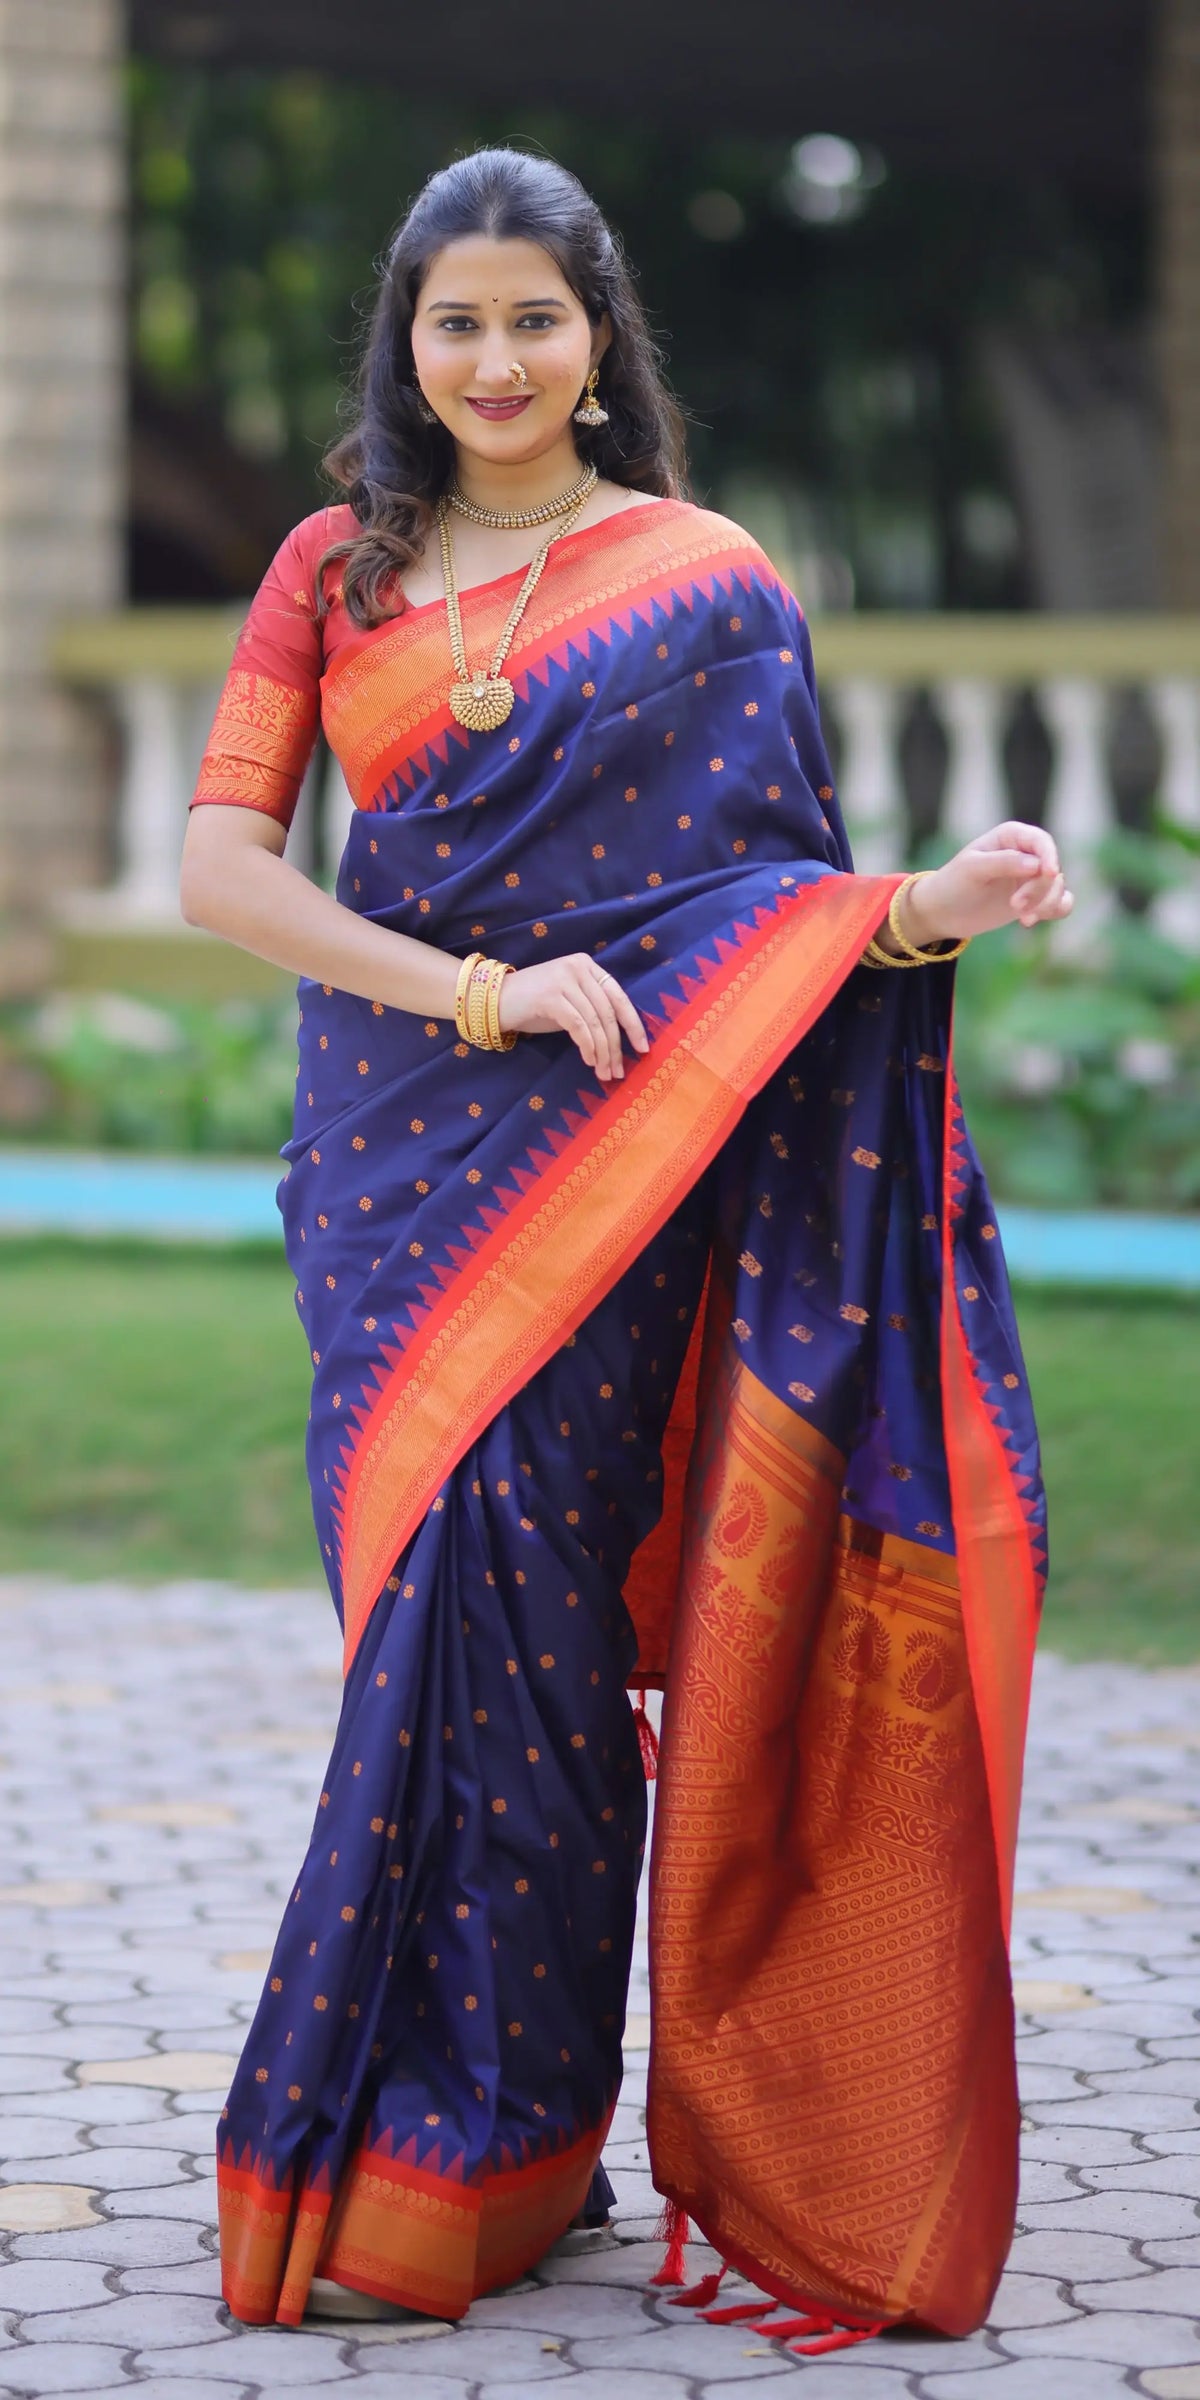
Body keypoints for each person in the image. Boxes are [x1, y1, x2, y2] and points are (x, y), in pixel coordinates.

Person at [181, 146, 1070, 2349]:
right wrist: (475, 994)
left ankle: (488, 2148)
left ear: (597, 340)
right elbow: (222, 869)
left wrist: (928, 908)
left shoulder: (705, 585)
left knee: (540, 1635)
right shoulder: (330, 569)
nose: (492, 360)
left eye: (534, 320)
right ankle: (457, 2144)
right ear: (406, 339)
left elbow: (765, 908)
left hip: (618, 1161)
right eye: (455, 321)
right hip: (399, 1152)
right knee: (426, 1623)